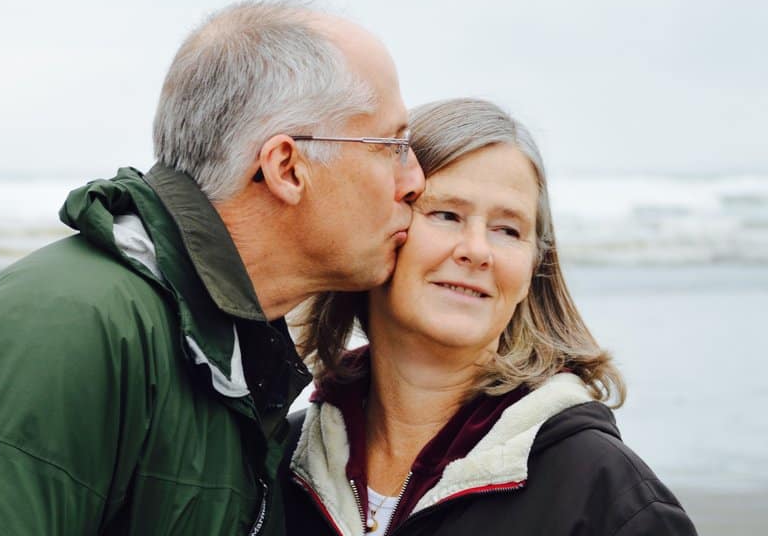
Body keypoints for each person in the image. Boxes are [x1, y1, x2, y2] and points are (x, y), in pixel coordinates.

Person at [0, 0, 426, 535]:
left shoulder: (225, 347)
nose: (414, 180)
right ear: (286, 167)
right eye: (391, 145)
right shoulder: (63, 328)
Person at [283, 98, 696, 535]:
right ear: (380, 229)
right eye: (446, 214)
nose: (477, 251)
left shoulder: (609, 496)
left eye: (508, 230)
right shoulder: (280, 463)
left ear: (533, 269)